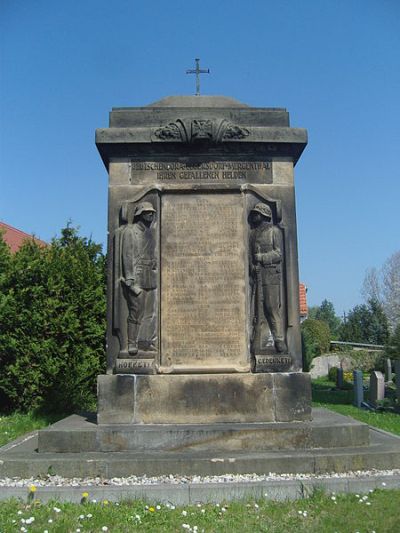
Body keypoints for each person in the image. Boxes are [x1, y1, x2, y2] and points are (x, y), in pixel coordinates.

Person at [249, 202, 287, 353]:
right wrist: (253, 267)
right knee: (257, 311)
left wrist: (262, 257)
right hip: (258, 276)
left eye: (256, 214)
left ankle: (279, 340)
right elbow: (251, 257)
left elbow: (279, 254)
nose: (253, 217)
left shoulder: (274, 232)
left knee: (271, 308)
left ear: (264, 215)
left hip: (271, 276)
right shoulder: (253, 234)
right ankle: (257, 342)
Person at [121, 201, 157, 355]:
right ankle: (131, 343)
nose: (151, 215)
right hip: (136, 277)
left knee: (150, 313)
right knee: (136, 312)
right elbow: (127, 255)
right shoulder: (130, 231)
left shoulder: (150, 232)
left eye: (152, 213)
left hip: (150, 276)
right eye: (148, 212)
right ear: (140, 214)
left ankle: (146, 342)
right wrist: (129, 280)